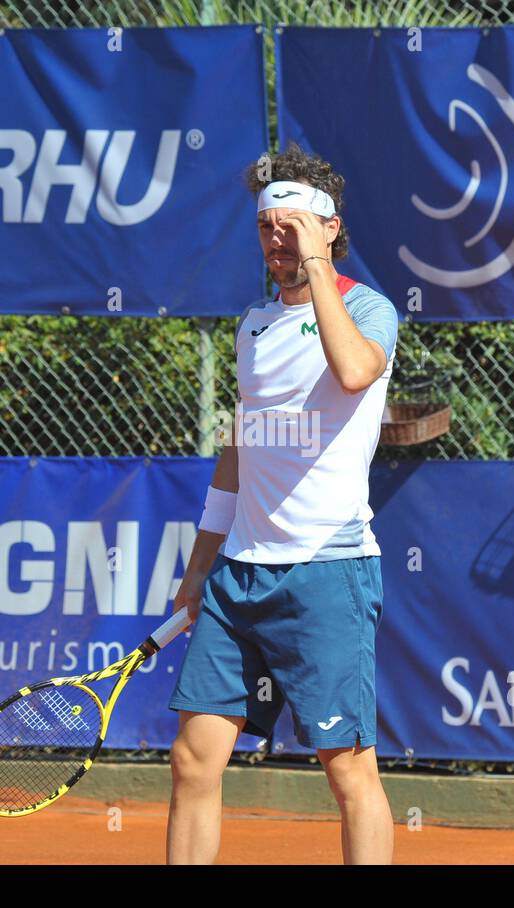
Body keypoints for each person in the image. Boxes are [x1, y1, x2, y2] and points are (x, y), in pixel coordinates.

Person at [165, 143, 398, 864]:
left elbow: (355, 370)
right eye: (268, 227)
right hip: (241, 575)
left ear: (330, 227)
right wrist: (202, 566)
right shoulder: (253, 325)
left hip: (327, 574)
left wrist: (317, 266)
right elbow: (239, 453)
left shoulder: (369, 309)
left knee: (348, 768)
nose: (278, 240)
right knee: (194, 759)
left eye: (293, 226)